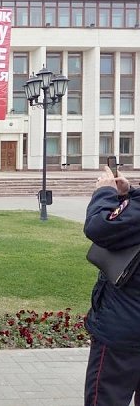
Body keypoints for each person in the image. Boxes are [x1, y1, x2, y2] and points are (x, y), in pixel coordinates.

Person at [83, 166, 140, 405]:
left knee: (106, 398)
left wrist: (105, 193)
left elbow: (100, 226)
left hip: (124, 328)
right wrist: (131, 193)